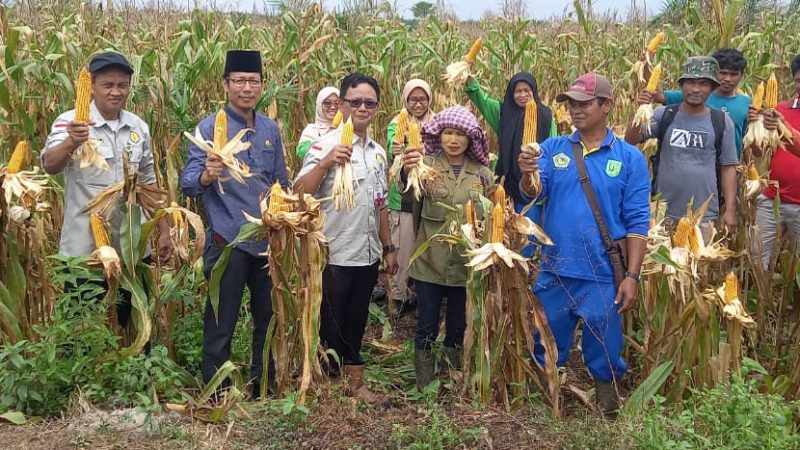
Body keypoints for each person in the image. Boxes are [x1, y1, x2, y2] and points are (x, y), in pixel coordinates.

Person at [518, 72, 650, 417]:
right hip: (555, 268)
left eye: (584, 103)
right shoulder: (553, 148)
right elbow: (534, 192)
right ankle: (547, 402)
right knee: (546, 338)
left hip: (602, 272)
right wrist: (526, 172)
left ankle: (607, 401)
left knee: (605, 345)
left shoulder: (630, 158)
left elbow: (637, 222)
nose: (575, 110)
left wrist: (632, 276)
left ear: (607, 106)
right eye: (571, 104)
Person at [180, 50, 289, 397]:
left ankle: (264, 384)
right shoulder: (209, 128)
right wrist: (207, 176)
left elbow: (280, 183)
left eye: (253, 81)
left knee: (267, 319)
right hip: (226, 241)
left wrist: (284, 219)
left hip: (265, 241)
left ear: (262, 86)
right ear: (226, 84)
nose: (246, 88)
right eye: (239, 81)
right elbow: (187, 183)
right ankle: (216, 390)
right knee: (219, 322)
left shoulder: (270, 128)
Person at [42, 51, 172, 325]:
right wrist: (71, 142)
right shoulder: (69, 123)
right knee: (81, 330)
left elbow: (149, 181)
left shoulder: (138, 127)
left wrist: (163, 229)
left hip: (132, 248)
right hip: (85, 252)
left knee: (134, 325)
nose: (116, 92)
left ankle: (136, 368)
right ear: (92, 87)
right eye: (108, 85)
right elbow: (50, 164)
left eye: (122, 85)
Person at [294, 72, 398, 406]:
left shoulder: (378, 153)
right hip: (333, 252)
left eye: (369, 102)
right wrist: (324, 164)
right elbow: (299, 193)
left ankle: (355, 385)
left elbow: (380, 203)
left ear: (377, 107)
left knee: (357, 319)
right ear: (342, 104)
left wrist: (389, 246)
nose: (362, 107)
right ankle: (328, 385)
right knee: (331, 322)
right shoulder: (324, 145)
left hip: (367, 254)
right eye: (355, 102)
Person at [399, 105, 493, 390]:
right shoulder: (423, 166)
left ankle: (451, 378)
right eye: (448, 133)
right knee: (426, 324)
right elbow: (410, 200)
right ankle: (425, 383)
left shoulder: (483, 174)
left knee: (457, 325)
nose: (453, 140)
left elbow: (489, 216)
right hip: (430, 261)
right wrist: (406, 169)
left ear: (470, 139)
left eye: (460, 135)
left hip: (465, 265)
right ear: (438, 136)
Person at [626, 56, 738, 232]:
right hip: (663, 212)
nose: (695, 89)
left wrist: (730, 210)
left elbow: (728, 168)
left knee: (699, 261)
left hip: (703, 215)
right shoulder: (664, 115)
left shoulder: (722, 122)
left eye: (703, 84)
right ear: (681, 85)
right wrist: (640, 110)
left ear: (712, 88)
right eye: (690, 83)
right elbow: (631, 139)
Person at [464, 72, 557, 208]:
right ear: (511, 93)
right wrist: (467, 75)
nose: (523, 95)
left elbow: (552, 148)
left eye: (527, 90)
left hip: (536, 190)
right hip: (505, 187)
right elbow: (481, 99)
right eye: (518, 91)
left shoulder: (546, 116)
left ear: (534, 91)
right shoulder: (502, 112)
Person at [386, 79, 435, 317]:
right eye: (413, 99)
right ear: (405, 100)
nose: (418, 104)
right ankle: (398, 295)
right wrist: (396, 150)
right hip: (403, 195)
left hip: (428, 193)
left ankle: (418, 293)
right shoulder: (397, 123)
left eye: (422, 99)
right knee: (403, 244)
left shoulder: (436, 122)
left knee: (423, 245)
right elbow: (391, 147)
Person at [652, 48, 751, 158]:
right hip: (697, 161)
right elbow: (658, 96)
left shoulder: (747, 103)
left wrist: (751, 168)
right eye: (723, 73)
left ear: (741, 75)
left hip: (729, 165)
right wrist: (646, 65)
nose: (728, 79)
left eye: (733, 74)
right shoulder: (697, 96)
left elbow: (747, 139)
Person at [750, 54, 800, 268]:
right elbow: (759, 153)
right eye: (799, 79)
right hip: (771, 200)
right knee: (757, 262)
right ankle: (760, 301)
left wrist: (783, 128)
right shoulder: (778, 110)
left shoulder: (779, 119)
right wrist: (755, 127)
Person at [296, 86, 339, 161]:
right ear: (319, 105)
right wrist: (325, 140)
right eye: (327, 103)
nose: (333, 107)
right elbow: (301, 152)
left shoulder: (347, 128)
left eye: (337, 103)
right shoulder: (312, 130)